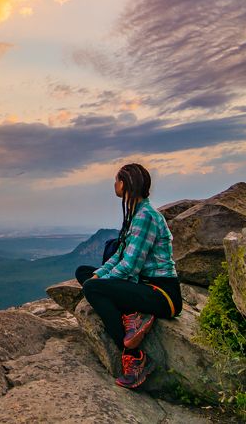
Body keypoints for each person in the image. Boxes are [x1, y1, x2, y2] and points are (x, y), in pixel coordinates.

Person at [75, 163, 183, 389]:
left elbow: (130, 266)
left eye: (117, 180)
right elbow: (119, 257)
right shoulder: (136, 214)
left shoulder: (145, 216)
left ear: (125, 184)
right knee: (85, 275)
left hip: (162, 293)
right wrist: (98, 276)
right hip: (143, 286)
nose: (114, 184)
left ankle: (134, 357)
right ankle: (133, 315)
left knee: (93, 289)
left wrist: (99, 284)